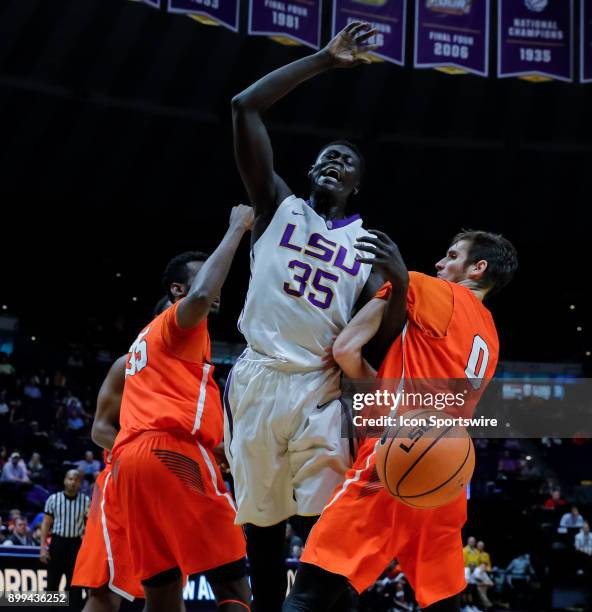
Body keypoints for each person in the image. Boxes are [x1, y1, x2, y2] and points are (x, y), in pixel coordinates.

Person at [228, 21, 381, 611]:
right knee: (263, 529)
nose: (333, 162)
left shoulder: (367, 248)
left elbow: (380, 331)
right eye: (325, 155)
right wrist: (322, 60)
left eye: (345, 160)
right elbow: (244, 107)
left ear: (356, 184)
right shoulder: (276, 206)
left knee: (325, 527)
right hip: (260, 378)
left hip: (320, 388)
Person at [284, 229, 518, 611]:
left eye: (451, 255)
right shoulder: (491, 336)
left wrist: (375, 389)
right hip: (449, 476)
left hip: (398, 451)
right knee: (442, 601)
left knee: (311, 591)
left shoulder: (427, 288)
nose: (440, 263)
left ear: (478, 268)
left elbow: (345, 349)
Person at [100, 208, 253, 612]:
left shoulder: (143, 343)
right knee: (234, 584)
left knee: (163, 594)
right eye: (206, 275)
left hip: (130, 465)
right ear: (176, 290)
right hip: (171, 452)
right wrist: (237, 227)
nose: (216, 285)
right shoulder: (175, 322)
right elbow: (201, 295)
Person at [73, 297, 172, 611]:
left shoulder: (189, 373)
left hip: (167, 489)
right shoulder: (127, 364)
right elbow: (99, 429)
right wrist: (139, 458)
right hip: (123, 481)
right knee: (104, 589)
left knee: (163, 590)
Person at [39, 469, 89, 608]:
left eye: (76, 480)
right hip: (58, 543)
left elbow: (90, 526)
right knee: (52, 584)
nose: (73, 482)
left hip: (75, 545)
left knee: (75, 586)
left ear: (80, 483)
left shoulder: (85, 501)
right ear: (65, 480)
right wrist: (43, 547)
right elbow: (46, 524)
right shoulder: (53, 499)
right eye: (70, 479)